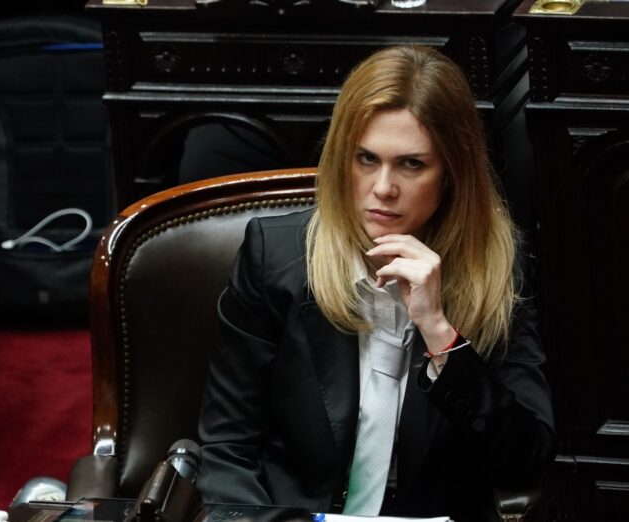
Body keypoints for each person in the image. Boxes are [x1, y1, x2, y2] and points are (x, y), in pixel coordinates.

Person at [197, 45, 555, 521]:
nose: (383, 188)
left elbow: (525, 460)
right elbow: (227, 449)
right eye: (366, 158)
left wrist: (439, 333)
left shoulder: (496, 267)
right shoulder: (275, 258)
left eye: (412, 164)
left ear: (452, 174)